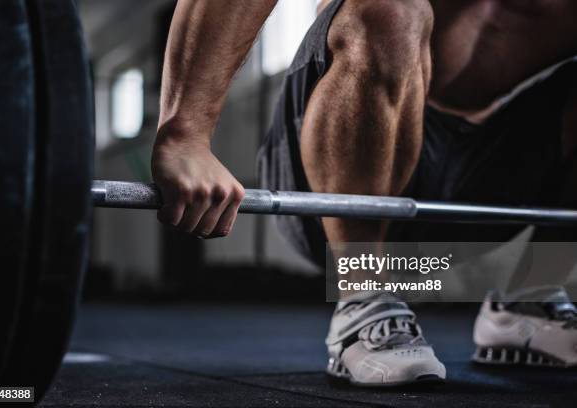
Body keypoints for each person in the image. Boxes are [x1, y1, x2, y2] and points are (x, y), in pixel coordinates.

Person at [153, 0, 577, 386]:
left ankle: (531, 296)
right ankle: (361, 293)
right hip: (332, 191)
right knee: (389, 10)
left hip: (473, 209)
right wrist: (185, 134)